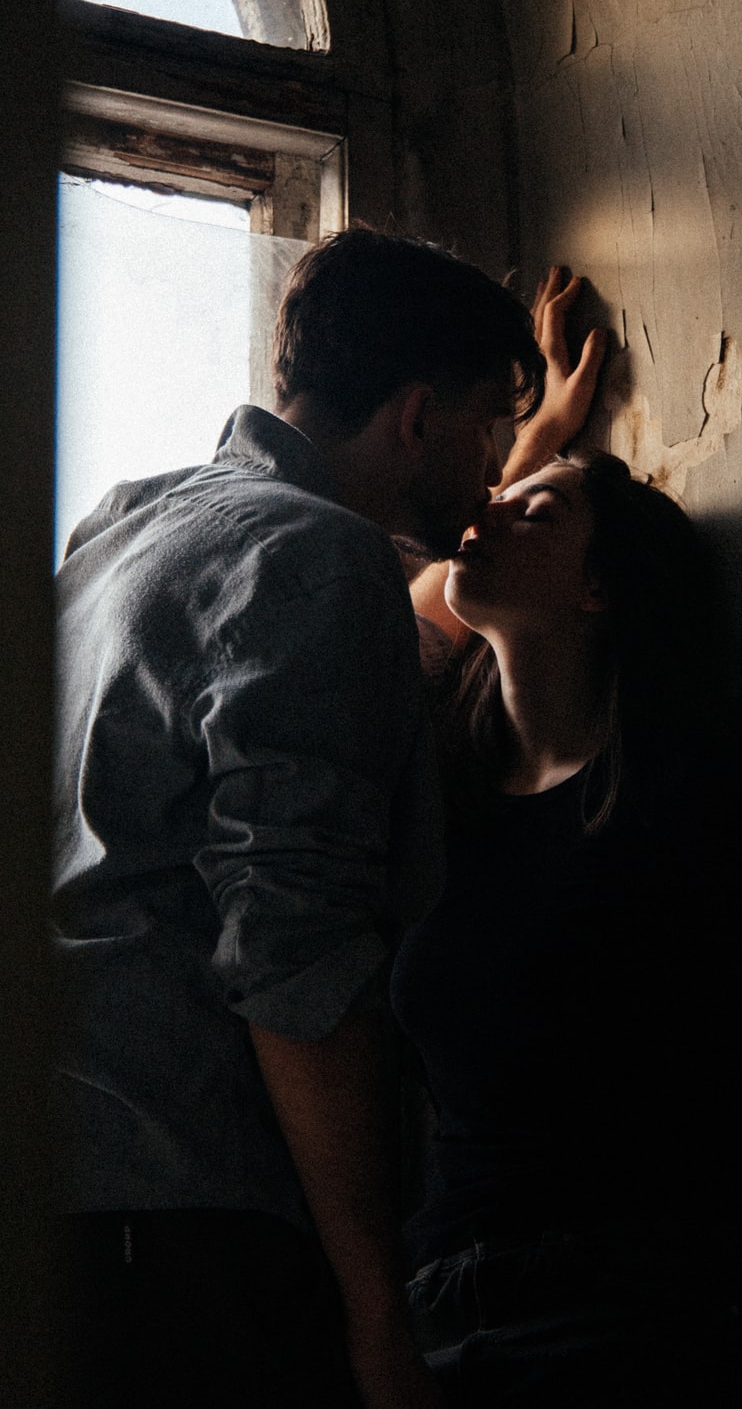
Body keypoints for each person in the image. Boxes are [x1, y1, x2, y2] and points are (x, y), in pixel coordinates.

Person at [50, 227, 545, 1409]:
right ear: (417, 417)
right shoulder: (321, 557)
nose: (493, 473)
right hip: (175, 1226)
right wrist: (377, 1310)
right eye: (489, 429)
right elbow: (293, 949)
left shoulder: (127, 524)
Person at [393, 270, 742, 1407]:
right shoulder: (441, 795)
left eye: (537, 514)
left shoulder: (688, 794)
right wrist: (542, 436)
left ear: (601, 591)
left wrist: (714, 1311)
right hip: (443, 1316)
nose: (483, 517)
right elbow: (410, 599)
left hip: (631, 1328)